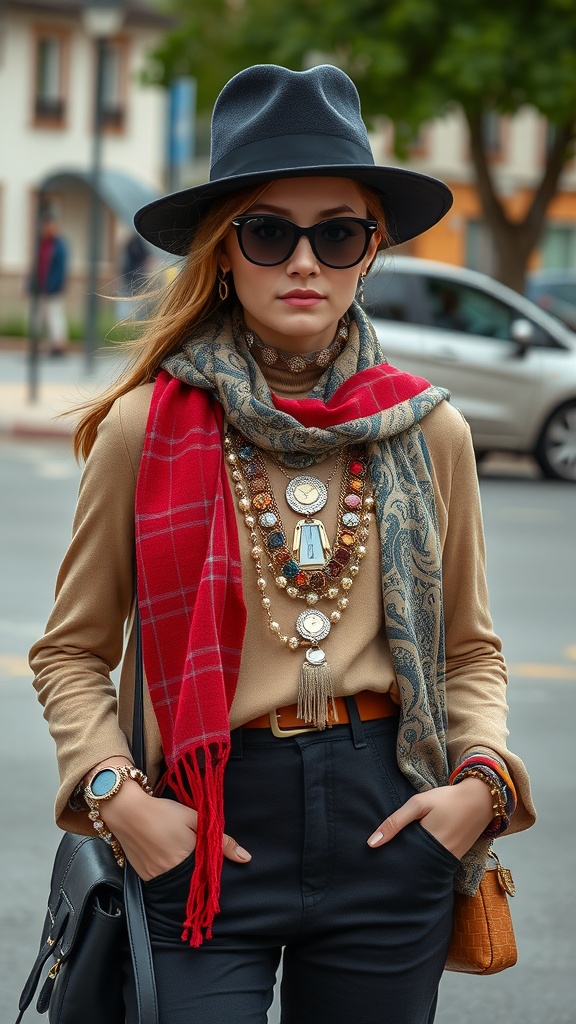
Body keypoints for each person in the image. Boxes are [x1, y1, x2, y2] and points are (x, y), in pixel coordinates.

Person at [30, 65, 535, 1024]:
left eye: (337, 232)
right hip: (207, 822)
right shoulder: (145, 430)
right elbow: (71, 651)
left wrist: (481, 786)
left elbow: (470, 651)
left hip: (390, 822)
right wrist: (113, 793)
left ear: (368, 252)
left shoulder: (429, 433)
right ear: (226, 253)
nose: (304, 261)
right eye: (270, 232)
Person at [28, 211, 69, 356]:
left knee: (55, 316)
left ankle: (58, 345)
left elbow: (60, 269)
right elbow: (36, 266)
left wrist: (52, 286)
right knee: (37, 317)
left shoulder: (59, 246)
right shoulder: (42, 244)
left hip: (53, 288)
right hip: (39, 287)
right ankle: (37, 344)